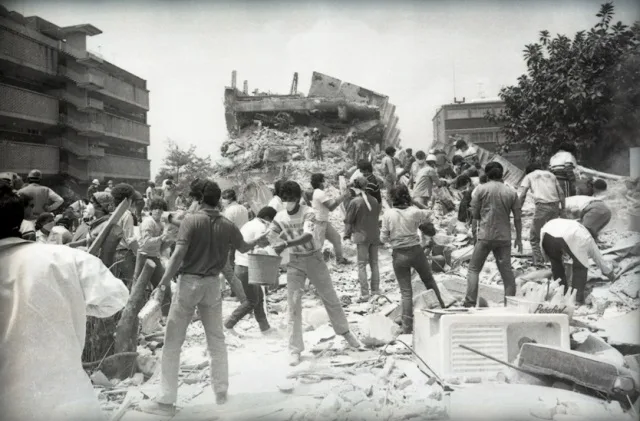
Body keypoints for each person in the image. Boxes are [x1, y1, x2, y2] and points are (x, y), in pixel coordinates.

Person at [0, 183, 129, 421]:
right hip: (70, 404)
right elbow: (115, 297)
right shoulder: (65, 258)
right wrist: (68, 300)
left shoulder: (106, 228)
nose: (89, 207)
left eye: (93, 203)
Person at [139, 179, 268, 416]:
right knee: (216, 340)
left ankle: (166, 402)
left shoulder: (191, 220)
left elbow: (178, 254)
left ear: (198, 199)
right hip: (213, 284)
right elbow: (243, 248)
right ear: (219, 200)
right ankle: (221, 392)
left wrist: (163, 283)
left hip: (189, 283)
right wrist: (259, 240)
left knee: (173, 343)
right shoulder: (228, 224)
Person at [267, 181, 362, 366]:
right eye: (285, 199)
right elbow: (271, 233)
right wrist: (266, 241)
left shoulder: (308, 212)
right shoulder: (279, 216)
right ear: (282, 199)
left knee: (330, 297)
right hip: (295, 263)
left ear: (298, 197)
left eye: (292, 199)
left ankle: (345, 333)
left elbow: (308, 235)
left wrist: (285, 244)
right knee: (293, 304)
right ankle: (295, 349)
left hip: (313, 259)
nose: (289, 202)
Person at [381, 185, 445, 333]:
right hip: (416, 251)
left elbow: (383, 238)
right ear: (407, 197)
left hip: (399, 254)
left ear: (392, 198)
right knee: (429, 281)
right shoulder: (415, 212)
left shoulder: (388, 214)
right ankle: (442, 310)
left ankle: (407, 326)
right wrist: (415, 203)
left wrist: (392, 237)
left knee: (406, 291)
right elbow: (430, 214)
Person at [464, 162, 522, 308]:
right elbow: (517, 218)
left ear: (487, 174)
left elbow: (475, 215)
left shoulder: (480, 190)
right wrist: (519, 238)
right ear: (502, 174)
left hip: (485, 235)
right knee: (506, 272)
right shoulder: (511, 192)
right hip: (504, 237)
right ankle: (509, 305)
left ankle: (470, 302)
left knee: (473, 269)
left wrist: (474, 234)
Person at [224, 206, 276, 333]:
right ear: (268, 218)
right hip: (248, 266)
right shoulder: (261, 228)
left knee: (259, 297)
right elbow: (260, 249)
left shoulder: (250, 224)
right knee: (252, 300)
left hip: (242, 264)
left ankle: (265, 328)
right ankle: (228, 324)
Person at [541, 218, 615, 305]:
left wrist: (545, 256)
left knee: (556, 264)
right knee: (581, 267)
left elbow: (543, 236)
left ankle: (560, 293)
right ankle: (576, 300)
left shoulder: (572, 224)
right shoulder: (586, 237)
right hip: (569, 235)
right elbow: (598, 258)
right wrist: (610, 274)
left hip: (547, 233)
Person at [518, 162, 565, 266]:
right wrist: (563, 209)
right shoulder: (551, 175)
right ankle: (556, 260)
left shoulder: (529, 176)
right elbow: (561, 193)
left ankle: (539, 262)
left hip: (542, 206)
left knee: (534, 237)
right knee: (552, 234)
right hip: (555, 205)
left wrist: (518, 208)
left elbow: (523, 194)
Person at [344, 177, 381, 302]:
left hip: (361, 235)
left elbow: (349, 220)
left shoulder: (355, 202)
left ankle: (365, 294)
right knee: (374, 263)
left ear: (355, 187)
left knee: (361, 265)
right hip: (375, 235)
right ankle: (375, 290)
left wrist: (346, 235)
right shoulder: (374, 200)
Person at [135, 198, 171, 317]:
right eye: (156, 209)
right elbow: (146, 242)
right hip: (144, 257)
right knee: (138, 288)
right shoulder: (148, 222)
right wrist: (161, 238)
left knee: (164, 286)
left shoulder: (161, 224)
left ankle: (165, 315)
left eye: (161, 209)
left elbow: (161, 246)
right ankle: (135, 315)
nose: (158, 211)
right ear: (151, 210)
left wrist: (169, 240)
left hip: (155, 257)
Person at [68, 192, 123, 268]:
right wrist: (72, 245)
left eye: (91, 203)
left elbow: (105, 256)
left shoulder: (106, 225)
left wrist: (79, 251)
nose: (87, 206)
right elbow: (91, 240)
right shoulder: (97, 223)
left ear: (101, 206)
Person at [310, 173, 350, 265]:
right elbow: (331, 207)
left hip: (324, 221)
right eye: (323, 181)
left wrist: (340, 197)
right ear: (320, 183)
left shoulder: (318, 192)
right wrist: (343, 196)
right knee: (318, 246)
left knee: (336, 238)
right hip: (319, 223)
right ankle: (314, 265)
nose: (324, 183)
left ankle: (339, 259)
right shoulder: (319, 193)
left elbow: (331, 203)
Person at [111, 184, 138, 285]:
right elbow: (130, 238)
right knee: (132, 282)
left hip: (113, 253)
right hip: (125, 254)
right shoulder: (126, 215)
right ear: (128, 199)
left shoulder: (114, 213)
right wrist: (139, 253)